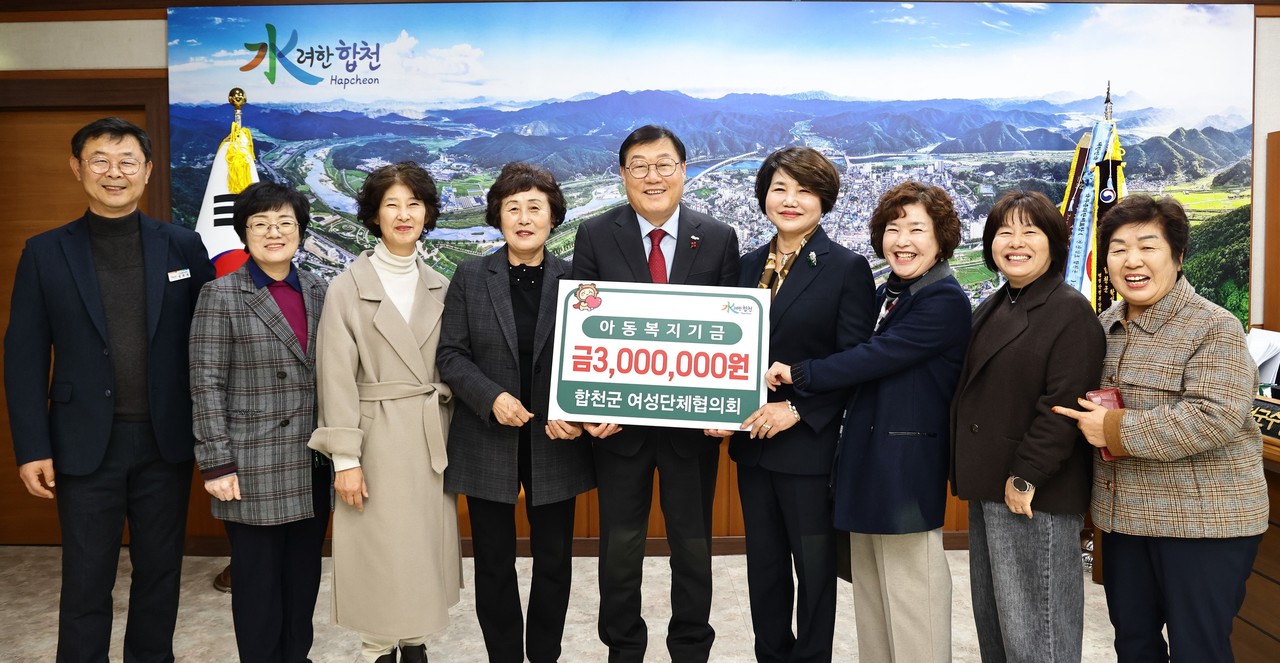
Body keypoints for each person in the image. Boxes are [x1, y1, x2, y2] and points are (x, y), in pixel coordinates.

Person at [3, 116, 214, 662]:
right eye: (100, 160)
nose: (113, 172)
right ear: (77, 168)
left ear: (148, 171)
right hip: (82, 443)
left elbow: (210, 342)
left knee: (160, 573)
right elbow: (24, 356)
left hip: (165, 441)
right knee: (86, 578)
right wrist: (32, 447)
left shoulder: (183, 246)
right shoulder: (45, 252)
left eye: (127, 162)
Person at [1054, 194, 1268, 663]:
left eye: (1147, 246)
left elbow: (1214, 416)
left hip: (1204, 525)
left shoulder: (1214, 327)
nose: (1132, 261)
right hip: (1124, 521)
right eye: (1118, 248)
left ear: (1178, 255)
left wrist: (1114, 429)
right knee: (1134, 646)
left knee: (1198, 651)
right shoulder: (1102, 326)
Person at [767, 180, 970, 663]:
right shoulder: (891, 293)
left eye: (917, 229)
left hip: (904, 477)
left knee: (913, 606)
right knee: (875, 609)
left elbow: (874, 356)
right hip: (869, 469)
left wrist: (800, 373)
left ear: (941, 238)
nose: (902, 241)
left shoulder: (943, 300)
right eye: (893, 229)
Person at [571, 125, 740, 662]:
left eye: (664, 164)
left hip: (692, 425)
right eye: (639, 166)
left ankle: (690, 648)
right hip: (619, 427)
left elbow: (734, 329)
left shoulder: (718, 237)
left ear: (684, 171)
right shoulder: (596, 235)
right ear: (623, 175)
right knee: (620, 550)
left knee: (692, 546)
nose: (653, 176)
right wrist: (585, 405)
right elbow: (581, 323)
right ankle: (623, 648)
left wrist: (730, 404)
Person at [707, 147, 875, 662]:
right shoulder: (745, 266)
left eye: (804, 190)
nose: (790, 200)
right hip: (752, 446)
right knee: (765, 570)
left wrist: (798, 409)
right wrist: (716, 409)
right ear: (763, 196)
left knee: (815, 572)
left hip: (808, 449)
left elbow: (854, 361)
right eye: (779, 188)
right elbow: (726, 351)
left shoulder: (846, 268)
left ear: (824, 200)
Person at [437, 162, 595, 663]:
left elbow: (592, 359)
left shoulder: (578, 282)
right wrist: (491, 398)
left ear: (553, 216)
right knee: (493, 563)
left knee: (554, 562)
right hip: (487, 438)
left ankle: (545, 654)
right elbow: (450, 355)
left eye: (535, 208)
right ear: (497, 217)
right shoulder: (470, 275)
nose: (524, 218)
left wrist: (575, 411)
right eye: (512, 208)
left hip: (557, 437)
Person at [307, 161, 460, 663]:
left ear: (427, 213)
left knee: (419, 552)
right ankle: (377, 649)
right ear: (374, 215)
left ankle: (415, 644)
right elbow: (335, 377)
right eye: (391, 204)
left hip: (429, 437)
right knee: (379, 552)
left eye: (414, 203)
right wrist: (345, 460)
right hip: (372, 442)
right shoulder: (346, 287)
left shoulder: (440, 285)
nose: (403, 214)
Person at [951, 190, 1104, 663]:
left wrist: (1026, 476)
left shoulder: (1068, 311)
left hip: (1032, 492)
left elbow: (1064, 404)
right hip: (990, 486)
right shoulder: (998, 302)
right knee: (997, 624)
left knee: (1037, 631)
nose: (1015, 243)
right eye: (1004, 232)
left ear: (1054, 243)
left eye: (1029, 232)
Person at [189, 181, 330, 663]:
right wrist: (216, 463)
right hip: (251, 467)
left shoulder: (319, 290)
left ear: (300, 232)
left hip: (311, 464)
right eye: (261, 223)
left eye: (285, 222)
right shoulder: (220, 294)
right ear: (244, 233)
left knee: (303, 580)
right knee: (257, 586)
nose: (274, 232)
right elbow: (205, 382)